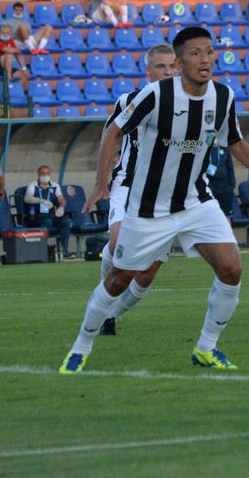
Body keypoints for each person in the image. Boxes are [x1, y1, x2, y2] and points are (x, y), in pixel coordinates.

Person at [60, 26, 249, 373]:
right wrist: (101, 184)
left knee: (232, 268)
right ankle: (81, 347)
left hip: (195, 202)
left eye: (209, 52)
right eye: (195, 53)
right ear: (180, 61)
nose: (205, 59)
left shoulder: (223, 96)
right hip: (147, 207)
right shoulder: (155, 96)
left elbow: (234, 142)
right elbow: (112, 130)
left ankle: (206, 347)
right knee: (118, 280)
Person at [96, 43, 178, 336]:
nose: (167, 71)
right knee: (119, 244)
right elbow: (110, 137)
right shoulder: (127, 100)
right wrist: (101, 182)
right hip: (128, 184)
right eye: (160, 66)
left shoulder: (191, 106)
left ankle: (111, 314)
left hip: (166, 194)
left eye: (171, 66)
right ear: (148, 71)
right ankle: (103, 301)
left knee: (146, 273)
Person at [20, 165, 72, 258]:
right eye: (43, 174)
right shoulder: (33, 185)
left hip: (51, 214)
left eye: (47, 173)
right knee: (47, 222)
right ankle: (42, 251)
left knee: (66, 221)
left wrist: (61, 207)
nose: (45, 176)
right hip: (37, 216)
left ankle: (64, 250)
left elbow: (61, 199)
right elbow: (27, 198)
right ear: (38, 174)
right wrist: (41, 200)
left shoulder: (55, 185)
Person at [0, 23, 30, 90]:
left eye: (7, 33)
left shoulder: (10, 40)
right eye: (3, 33)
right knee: (9, 55)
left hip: (3, 67)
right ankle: (8, 80)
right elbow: (7, 50)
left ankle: (14, 90)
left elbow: (17, 53)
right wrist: (15, 50)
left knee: (23, 75)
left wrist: (24, 68)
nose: (5, 34)